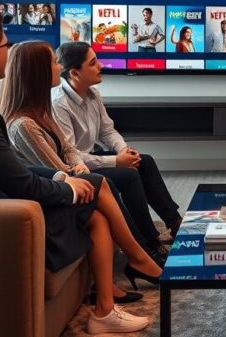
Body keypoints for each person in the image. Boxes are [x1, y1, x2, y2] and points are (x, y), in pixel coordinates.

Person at [0, 6, 157, 334]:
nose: (10, 51)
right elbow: (19, 183)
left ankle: (110, 301)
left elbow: (8, 164)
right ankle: (129, 274)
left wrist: (61, 176)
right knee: (94, 195)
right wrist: (67, 187)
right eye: (7, 45)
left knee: (94, 193)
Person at [0, 41, 171, 265]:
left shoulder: (48, 108)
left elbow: (78, 144)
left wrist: (121, 151)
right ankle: (144, 248)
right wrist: (104, 163)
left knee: (142, 161)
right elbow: (57, 167)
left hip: (76, 167)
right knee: (125, 176)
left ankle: (170, 224)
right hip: (62, 181)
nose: (58, 67)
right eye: (53, 63)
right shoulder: (36, 116)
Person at [54, 41, 183, 240]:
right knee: (129, 174)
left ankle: (174, 222)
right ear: (74, 73)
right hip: (76, 168)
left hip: (91, 157)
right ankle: (148, 240)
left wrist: (123, 151)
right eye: (93, 63)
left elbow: (107, 131)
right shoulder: (59, 104)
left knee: (143, 161)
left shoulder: (92, 93)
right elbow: (71, 155)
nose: (101, 66)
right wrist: (116, 161)